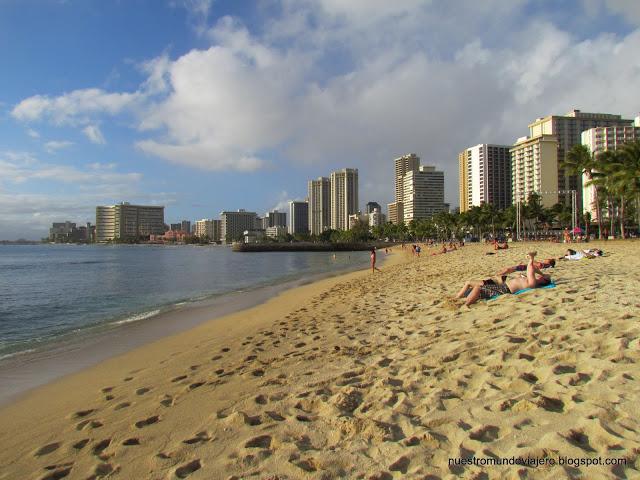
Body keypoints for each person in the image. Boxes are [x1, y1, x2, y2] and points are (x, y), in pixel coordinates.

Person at [456, 252, 551, 307]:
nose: (541, 277)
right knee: (477, 288)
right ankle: (461, 301)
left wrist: (531, 258)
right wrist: (542, 273)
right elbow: (533, 269)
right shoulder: (532, 280)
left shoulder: (532, 283)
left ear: (544, 281)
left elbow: (531, 268)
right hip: (502, 287)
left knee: (478, 288)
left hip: (504, 290)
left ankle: (465, 305)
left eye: (543, 278)